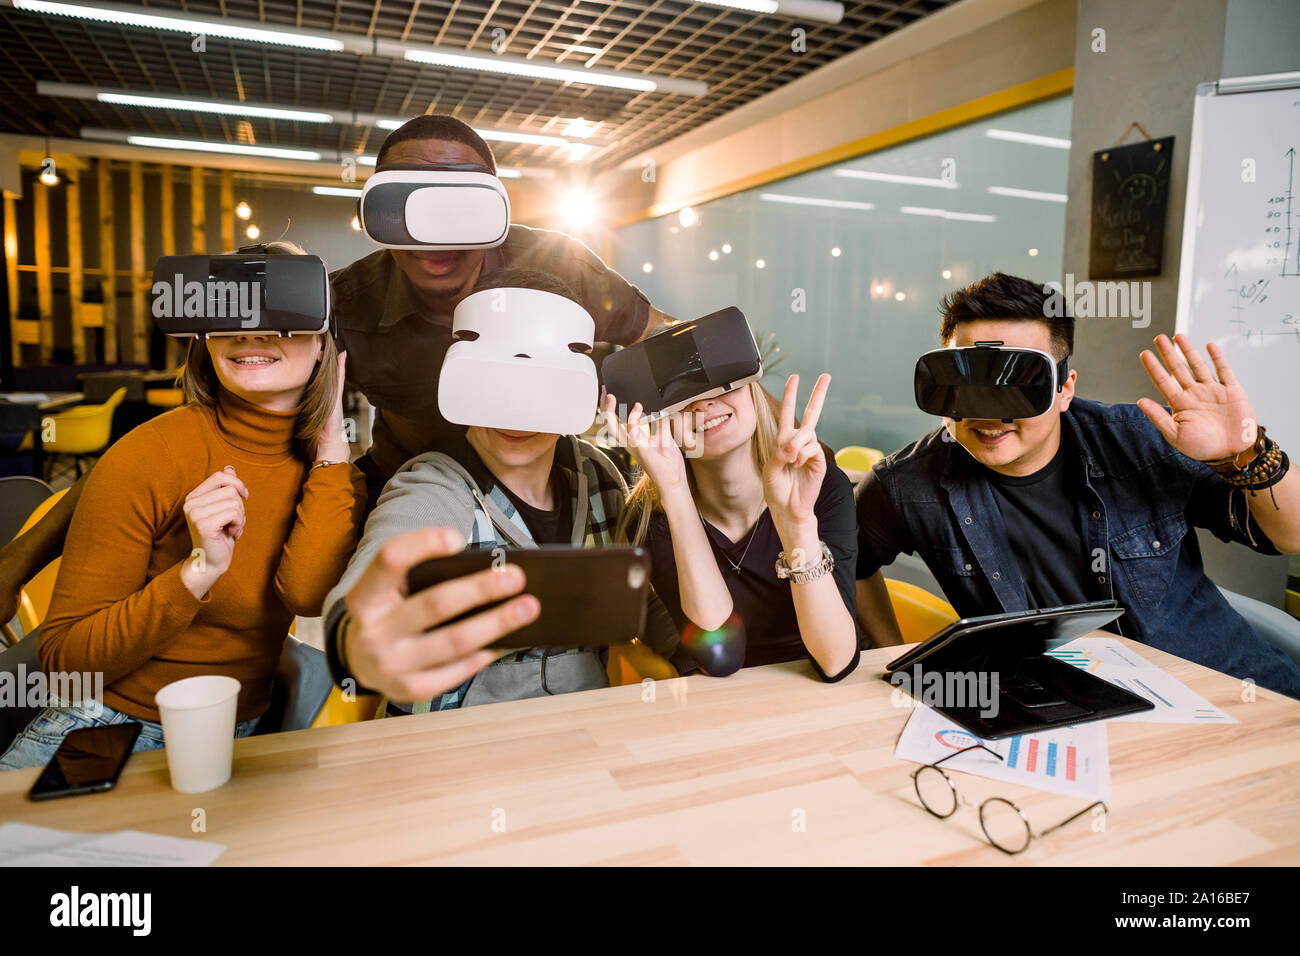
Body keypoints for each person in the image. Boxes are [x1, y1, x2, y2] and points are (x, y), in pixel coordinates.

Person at [0, 112, 678, 623]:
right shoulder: (342, 307)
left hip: (542, 481)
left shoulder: (560, 267)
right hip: (408, 483)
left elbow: (671, 342)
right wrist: (19, 562)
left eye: (457, 206)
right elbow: (188, 440)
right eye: (411, 208)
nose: (434, 241)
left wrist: (741, 428)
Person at [0, 242, 368, 769]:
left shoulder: (331, 476)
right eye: (230, 316)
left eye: (283, 316)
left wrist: (333, 452)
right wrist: (196, 572)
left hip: (238, 737)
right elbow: (64, 664)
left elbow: (306, 593)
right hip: (109, 728)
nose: (251, 332)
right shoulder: (151, 453)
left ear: (322, 343)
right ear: (204, 335)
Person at [854, 272, 1300, 697]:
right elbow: (845, 559)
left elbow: (1290, 536)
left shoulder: (1140, 441)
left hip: (1228, 687)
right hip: (1067, 704)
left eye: (1018, 387)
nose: (989, 417)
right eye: (966, 384)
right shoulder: (907, 483)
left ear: (1065, 389)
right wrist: (889, 651)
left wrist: (1246, 452)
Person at [323, 268, 673, 712]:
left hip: (586, 744)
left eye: (541, 386)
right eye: (495, 382)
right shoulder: (433, 485)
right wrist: (355, 641)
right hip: (459, 755)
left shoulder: (598, 474)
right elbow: (373, 581)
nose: (516, 415)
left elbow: (638, 594)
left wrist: (695, 654)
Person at [606, 372, 872, 681]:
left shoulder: (822, 488)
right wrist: (675, 492)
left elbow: (835, 660)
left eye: (723, 382)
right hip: (724, 697)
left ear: (752, 390)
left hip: (821, 691)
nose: (704, 402)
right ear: (660, 418)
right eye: (680, 395)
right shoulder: (651, 515)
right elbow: (722, 659)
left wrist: (797, 525)